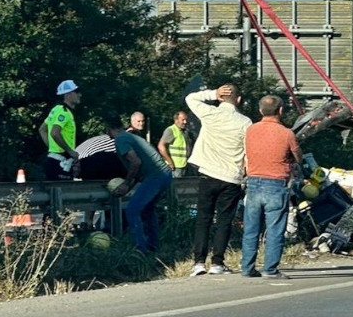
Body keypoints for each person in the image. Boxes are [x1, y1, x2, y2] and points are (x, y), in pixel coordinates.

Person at [185, 84, 251, 276]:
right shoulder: (245, 122)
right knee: (224, 221)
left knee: (203, 219)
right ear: (238, 100)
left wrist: (212, 93)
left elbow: (190, 98)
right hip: (231, 177)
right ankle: (217, 262)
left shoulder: (210, 114)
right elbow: (248, 150)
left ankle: (198, 262)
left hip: (208, 173)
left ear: (221, 98)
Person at [241, 95, 302, 278]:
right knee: (275, 229)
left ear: (260, 111)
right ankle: (270, 268)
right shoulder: (286, 133)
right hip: (276, 184)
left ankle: (247, 267)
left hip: (253, 182)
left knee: (251, 228)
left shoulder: (250, 130)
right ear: (280, 110)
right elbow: (297, 154)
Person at [106, 114, 173, 252]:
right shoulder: (131, 137)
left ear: (109, 129)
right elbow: (138, 170)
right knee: (148, 210)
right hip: (164, 174)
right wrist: (128, 186)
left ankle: (140, 249)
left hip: (155, 176)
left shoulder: (120, 140)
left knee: (132, 210)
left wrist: (125, 184)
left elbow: (136, 163)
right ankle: (154, 247)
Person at [40, 80, 81, 180]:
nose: (80, 95)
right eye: (77, 92)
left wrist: (52, 147)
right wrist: (69, 150)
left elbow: (42, 129)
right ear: (68, 95)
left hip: (55, 159)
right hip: (61, 162)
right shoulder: (64, 112)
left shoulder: (56, 109)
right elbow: (54, 133)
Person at [158, 110, 193, 179]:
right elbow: (161, 146)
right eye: (183, 120)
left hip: (184, 165)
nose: (185, 122)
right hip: (175, 167)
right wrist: (170, 162)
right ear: (176, 120)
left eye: (186, 120)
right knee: (174, 187)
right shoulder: (171, 130)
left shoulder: (184, 131)